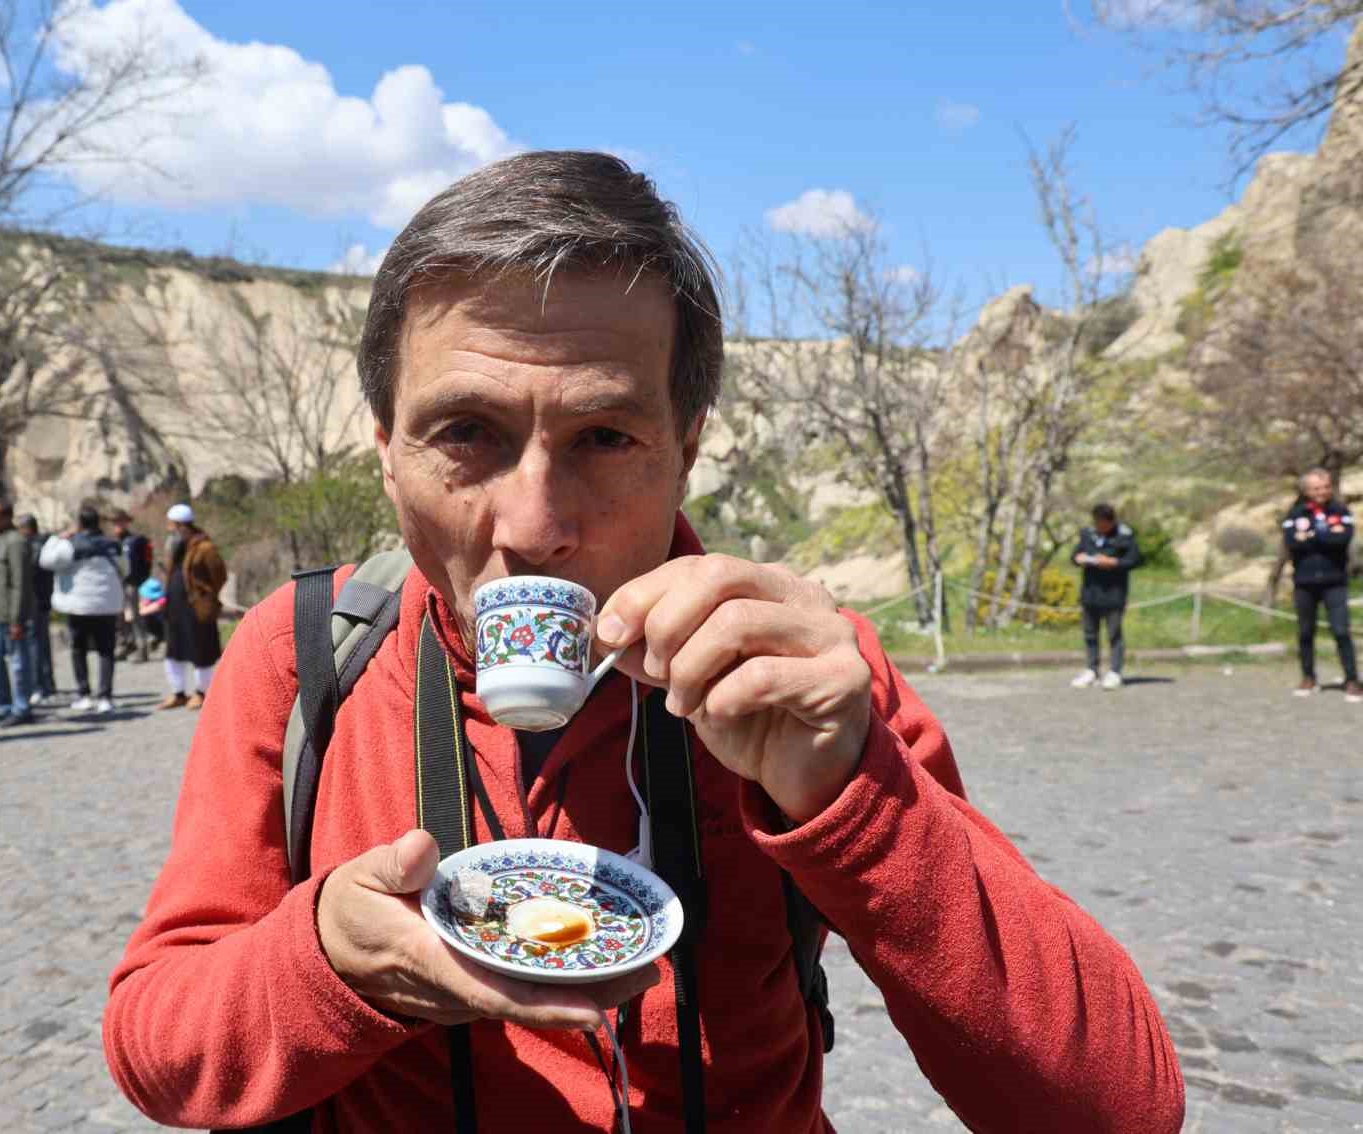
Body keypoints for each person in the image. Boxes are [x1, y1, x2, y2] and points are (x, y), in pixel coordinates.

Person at [104, 152, 1184, 1133]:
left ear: (687, 450)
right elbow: (159, 1050)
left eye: (605, 438)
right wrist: (328, 960)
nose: (532, 525)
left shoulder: (802, 679)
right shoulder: (307, 657)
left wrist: (854, 799)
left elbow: (1118, 1110)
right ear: (387, 451)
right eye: (465, 433)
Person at [38, 505, 127, 715]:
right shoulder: (113, 545)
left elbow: (45, 561)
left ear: (79, 524)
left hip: (78, 606)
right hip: (107, 605)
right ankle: (105, 697)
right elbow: (126, 568)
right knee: (106, 651)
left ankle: (84, 694)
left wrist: (57, 538)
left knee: (78, 650)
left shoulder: (70, 545)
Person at [1282, 468, 1361, 701]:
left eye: (1325, 487)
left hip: (1334, 582)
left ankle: (1352, 680)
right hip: (1305, 582)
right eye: (1316, 488)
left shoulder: (1340, 510)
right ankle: (1308, 677)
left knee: (1341, 631)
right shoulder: (1295, 513)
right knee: (1306, 632)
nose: (1322, 492)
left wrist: (1309, 536)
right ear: (1306, 490)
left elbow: (1343, 539)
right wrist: (1324, 533)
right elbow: (1292, 544)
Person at [156, 503, 226, 711]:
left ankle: (201, 693)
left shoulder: (205, 547)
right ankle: (178, 693)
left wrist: (206, 594)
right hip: (175, 607)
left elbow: (219, 574)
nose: (169, 529)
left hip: (197, 608)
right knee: (174, 649)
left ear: (182, 526)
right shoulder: (175, 545)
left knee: (201, 649)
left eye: (172, 525)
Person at [1069, 503, 1142, 691]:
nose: (1100, 526)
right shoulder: (1088, 534)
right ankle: (1091, 670)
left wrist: (1114, 562)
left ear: (1111, 521)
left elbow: (1136, 559)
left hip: (1113, 594)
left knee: (1114, 633)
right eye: (1097, 522)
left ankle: (1115, 671)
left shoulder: (1124, 535)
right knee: (1090, 633)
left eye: (1103, 523)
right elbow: (1074, 555)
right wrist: (1080, 558)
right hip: (1091, 593)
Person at [0, 498, 36, 726]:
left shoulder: (16, 542)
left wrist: (17, 618)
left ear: (6, 517)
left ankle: (22, 707)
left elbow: (20, 584)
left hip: (10, 614)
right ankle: (3, 705)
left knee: (18, 662)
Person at [18, 514, 58, 704]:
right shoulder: (45, 545)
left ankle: (39, 686)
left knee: (35, 645)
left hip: (34, 601)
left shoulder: (32, 547)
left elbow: (29, 571)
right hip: (43, 600)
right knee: (42, 644)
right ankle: (47, 684)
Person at [111, 509, 154, 662]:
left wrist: (142, 579)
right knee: (118, 616)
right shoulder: (113, 542)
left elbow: (147, 560)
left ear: (127, 522)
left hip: (133, 582)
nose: (118, 525)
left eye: (120, 522)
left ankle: (142, 648)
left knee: (135, 615)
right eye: (115, 522)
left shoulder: (136, 540)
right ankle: (124, 645)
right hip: (116, 583)